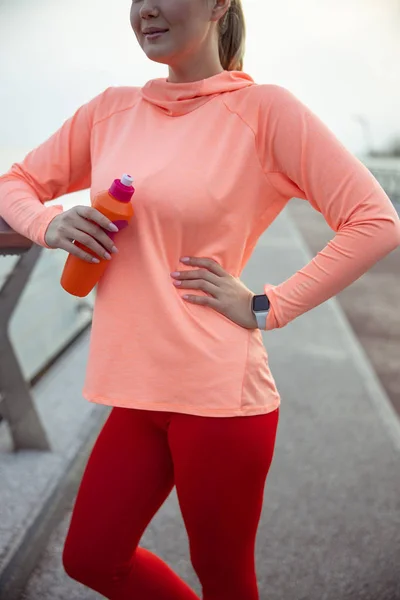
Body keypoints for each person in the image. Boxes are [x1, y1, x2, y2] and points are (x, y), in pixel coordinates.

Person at [1, 0, 400, 598]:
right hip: (133, 392)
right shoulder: (110, 110)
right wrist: (47, 223)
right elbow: (15, 184)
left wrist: (268, 304)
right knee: (91, 557)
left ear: (219, 5)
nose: (146, 10)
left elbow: (374, 220)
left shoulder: (264, 111)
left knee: (225, 579)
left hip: (220, 400)